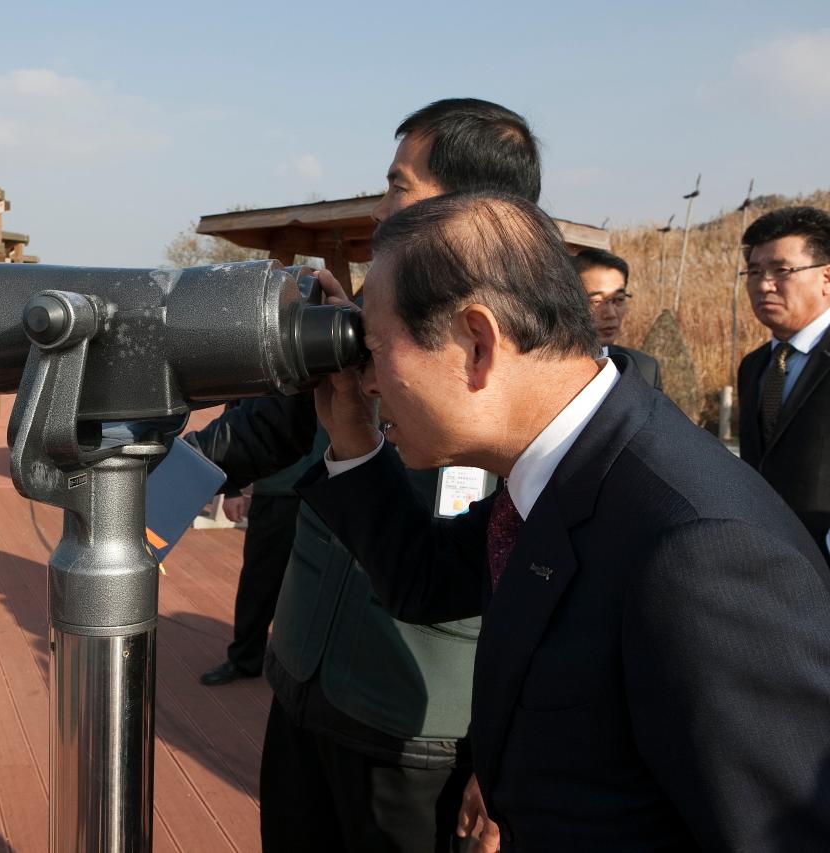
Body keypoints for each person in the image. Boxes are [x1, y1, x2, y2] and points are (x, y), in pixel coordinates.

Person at [299, 189, 830, 850]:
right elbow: (425, 578)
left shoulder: (698, 552)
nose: (369, 380)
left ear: (476, 341)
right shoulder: (566, 472)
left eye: (376, 349)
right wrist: (351, 436)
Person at [184, 98, 540, 852]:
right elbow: (258, 432)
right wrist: (142, 490)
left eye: (399, 188)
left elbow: (549, 595)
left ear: (472, 208)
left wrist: (503, 770)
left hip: (420, 729)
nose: (380, 212)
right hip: (304, 685)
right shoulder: (362, 318)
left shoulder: (534, 359)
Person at [737, 206, 830, 561]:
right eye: (755, 271)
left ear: (826, 277)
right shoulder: (755, 366)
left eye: (782, 271)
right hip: (767, 560)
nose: (764, 284)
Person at [199, 459, 304, 686]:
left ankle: (306, 671)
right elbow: (243, 431)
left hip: (336, 493)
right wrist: (231, 488)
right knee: (259, 580)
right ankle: (245, 659)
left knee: (321, 588)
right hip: (277, 493)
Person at [571, 247, 662, 389]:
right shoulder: (542, 370)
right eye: (596, 301)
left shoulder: (645, 370)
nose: (611, 314)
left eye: (619, 299)